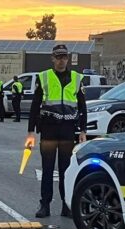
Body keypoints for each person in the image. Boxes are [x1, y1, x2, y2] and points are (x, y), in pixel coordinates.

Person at [25, 44, 87, 218]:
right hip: (49, 130)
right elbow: (35, 105)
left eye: (64, 57)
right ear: (53, 58)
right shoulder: (44, 77)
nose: (61, 60)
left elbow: (82, 107)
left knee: (66, 171)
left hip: (68, 131)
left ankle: (66, 205)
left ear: (68, 59)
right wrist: (30, 131)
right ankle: (45, 205)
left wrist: (83, 130)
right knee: (47, 170)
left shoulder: (76, 78)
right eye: (58, 57)